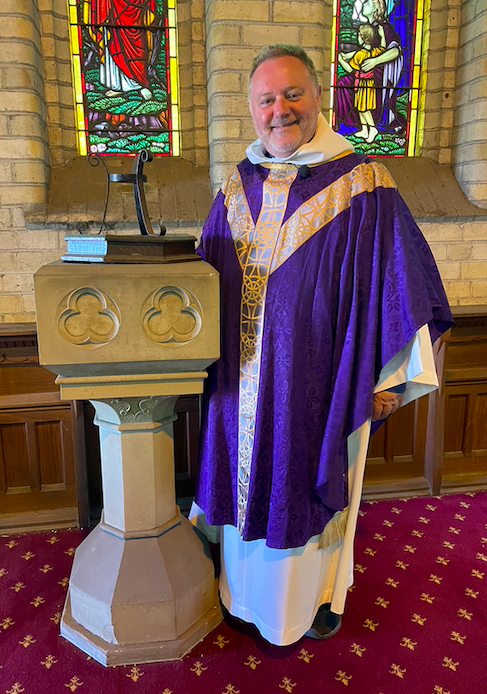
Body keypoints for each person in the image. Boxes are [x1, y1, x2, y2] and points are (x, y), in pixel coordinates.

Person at [189, 44, 452, 646]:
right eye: (265, 99)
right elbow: (201, 276)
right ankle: (241, 595)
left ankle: (312, 603)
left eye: (291, 95)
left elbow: (399, 283)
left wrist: (388, 379)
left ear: (319, 98)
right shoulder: (236, 185)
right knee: (243, 483)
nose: (279, 110)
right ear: (251, 109)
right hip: (238, 382)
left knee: (309, 482)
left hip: (321, 383)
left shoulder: (363, 184)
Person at [338, 24, 387, 143]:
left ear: (363, 38)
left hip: (362, 84)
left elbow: (350, 69)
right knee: (360, 108)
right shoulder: (374, 51)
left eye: (358, 35)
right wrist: (383, 35)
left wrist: (339, 59)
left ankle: (373, 129)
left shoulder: (360, 54)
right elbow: (383, 48)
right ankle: (364, 130)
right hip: (369, 84)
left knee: (364, 108)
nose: (357, 38)